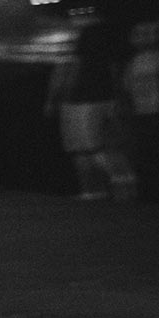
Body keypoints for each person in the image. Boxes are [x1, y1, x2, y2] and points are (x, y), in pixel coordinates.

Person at [45, 17, 135, 201]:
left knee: (84, 149)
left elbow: (61, 81)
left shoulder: (72, 57)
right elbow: (118, 82)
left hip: (77, 104)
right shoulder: (108, 57)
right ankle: (114, 184)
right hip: (107, 102)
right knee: (107, 146)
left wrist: (52, 101)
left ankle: (109, 184)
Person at [122, 19, 159, 201]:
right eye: (140, 34)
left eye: (150, 33)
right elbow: (127, 88)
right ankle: (149, 192)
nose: (144, 38)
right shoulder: (134, 60)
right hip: (140, 112)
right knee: (145, 154)